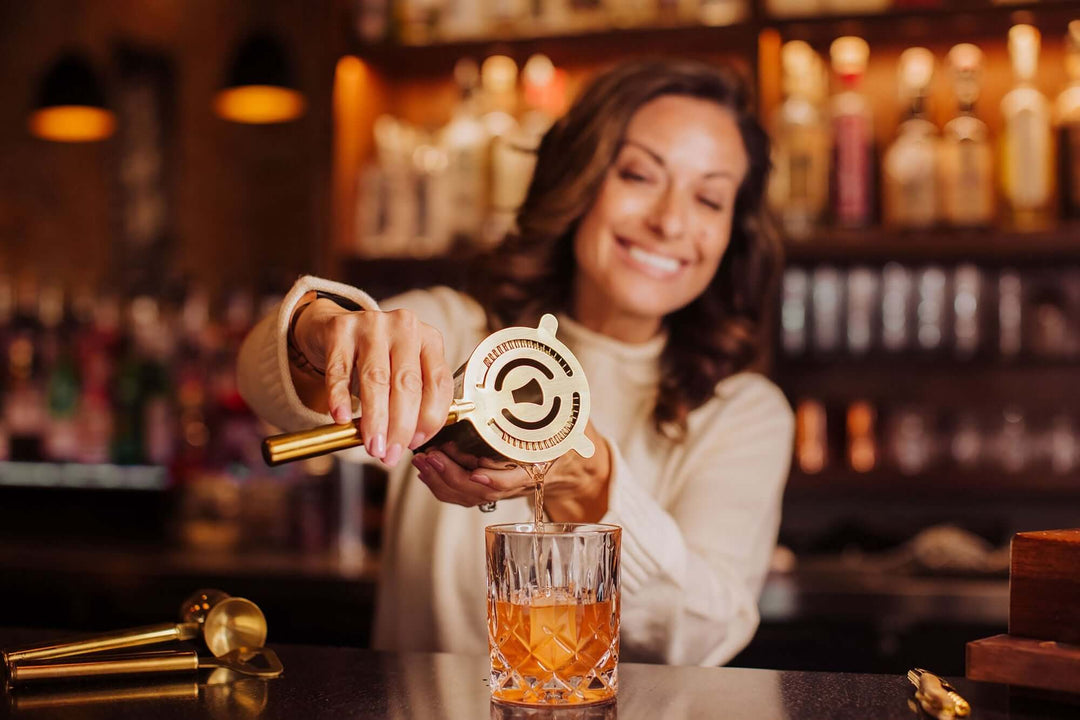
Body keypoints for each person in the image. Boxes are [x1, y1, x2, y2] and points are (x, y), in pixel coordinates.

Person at [237, 58, 794, 667]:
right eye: (638, 174)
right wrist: (317, 330)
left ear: (732, 234)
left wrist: (589, 481)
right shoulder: (456, 329)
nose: (670, 221)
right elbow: (272, 395)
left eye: (710, 199)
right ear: (578, 180)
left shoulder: (745, 413)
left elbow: (704, 633)